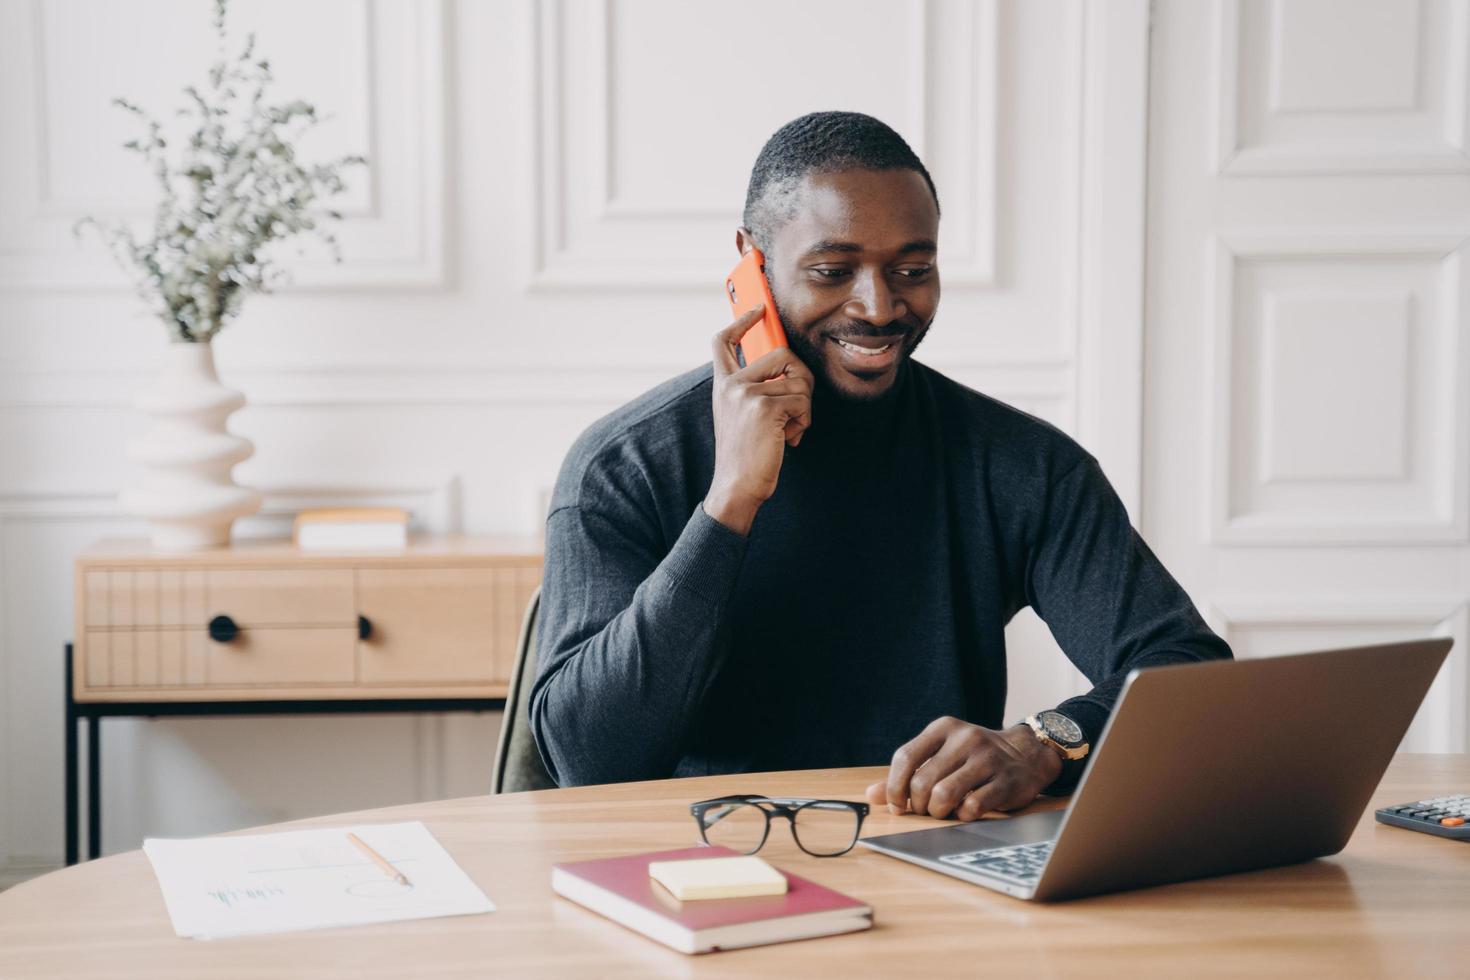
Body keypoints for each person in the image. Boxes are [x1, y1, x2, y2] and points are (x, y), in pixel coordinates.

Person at [530, 111, 1231, 821]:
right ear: (752, 263)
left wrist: (1044, 743)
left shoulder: (1022, 466)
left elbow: (1190, 673)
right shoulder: (626, 466)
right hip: (708, 866)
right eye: (834, 271)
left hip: (933, 862)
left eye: (913, 270)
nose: (880, 305)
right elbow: (590, 760)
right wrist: (730, 502)